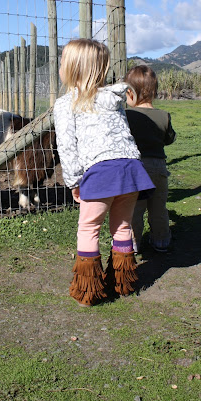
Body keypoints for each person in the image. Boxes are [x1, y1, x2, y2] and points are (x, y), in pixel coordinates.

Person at [53, 39, 154, 306]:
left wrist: (74, 181)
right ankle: (122, 283)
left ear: (72, 68)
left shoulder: (66, 104)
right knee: (122, 226)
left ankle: (87, 291)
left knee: (89, 228)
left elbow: (67, 147)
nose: (60, 66)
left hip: (101, 171)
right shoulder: (114, 99)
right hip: (131, 169)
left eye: (62, 62)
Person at [124, 65, 176, 254]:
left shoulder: (127, 115)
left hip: (135, 168)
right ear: (154, 91)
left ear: (130, 93)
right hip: (158, 168)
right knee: (158, 207)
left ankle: (133, 243)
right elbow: (169, 139)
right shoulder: (164, 116)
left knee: (134, 208)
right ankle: (161, 240)